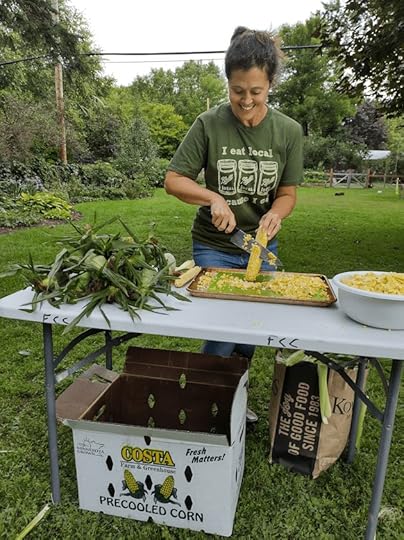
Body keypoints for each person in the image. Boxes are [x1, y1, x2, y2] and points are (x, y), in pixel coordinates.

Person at [164, 26, 304, 422]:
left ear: (270, 84)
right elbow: (174, 180)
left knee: (250, 328)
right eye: (237, 90)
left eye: (255, 92)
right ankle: (206, 400)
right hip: (215, 243)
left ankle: (233, 401)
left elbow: (288, 192)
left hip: (260, 245)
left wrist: (277, 212)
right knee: (226, 325)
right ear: (227, 82)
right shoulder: (209, 124)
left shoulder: (289, 131)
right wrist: (212, 196)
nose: (245, 101)